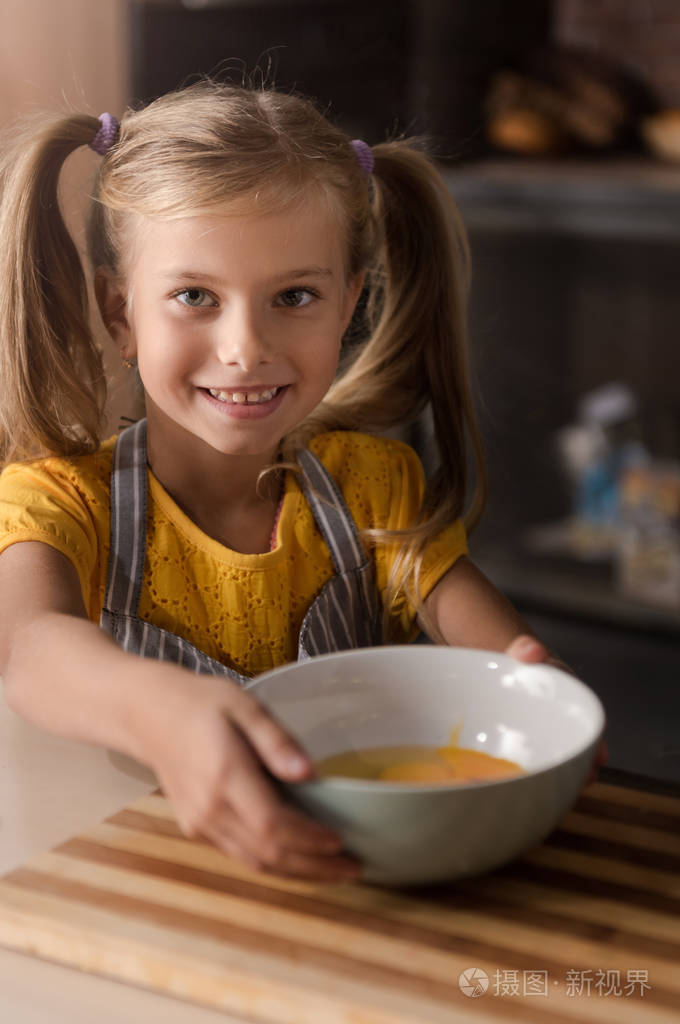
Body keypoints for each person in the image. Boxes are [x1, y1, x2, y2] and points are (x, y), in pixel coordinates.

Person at [0, 81, 586, 883]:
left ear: (348, 304)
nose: (246, 347)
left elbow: (507, 668)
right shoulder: (61, 503)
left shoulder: (375, 489)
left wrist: (546, 703)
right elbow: (28, 647)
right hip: (143, 886)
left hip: (348, 883)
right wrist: (157, 708)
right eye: (195, 296)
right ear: (120, 313)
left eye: (295, 296)